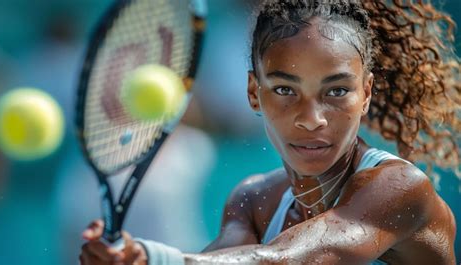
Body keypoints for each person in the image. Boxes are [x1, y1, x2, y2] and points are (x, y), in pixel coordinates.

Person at [79, 0, 460, 264]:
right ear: (253, 93)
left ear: (367, 94)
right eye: (284, 90)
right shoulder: (252, 200)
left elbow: (284, 260)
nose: (312, 118)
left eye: (338, 91)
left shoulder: (401, 189)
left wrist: (154, 258)